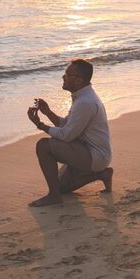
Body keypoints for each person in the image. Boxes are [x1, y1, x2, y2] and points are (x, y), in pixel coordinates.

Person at [27, 59, 113, 207]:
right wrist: (48, 113)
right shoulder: (82, 97)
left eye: (67, 74)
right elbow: (68, 125)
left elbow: (67, 135)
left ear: (79, 80)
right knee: (62, 186)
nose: (63, 77)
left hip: (95, 155)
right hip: (90, 152)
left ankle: (54, 196)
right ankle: (101, 174)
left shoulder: (85, 102)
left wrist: (40, 125)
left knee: (43, 146)